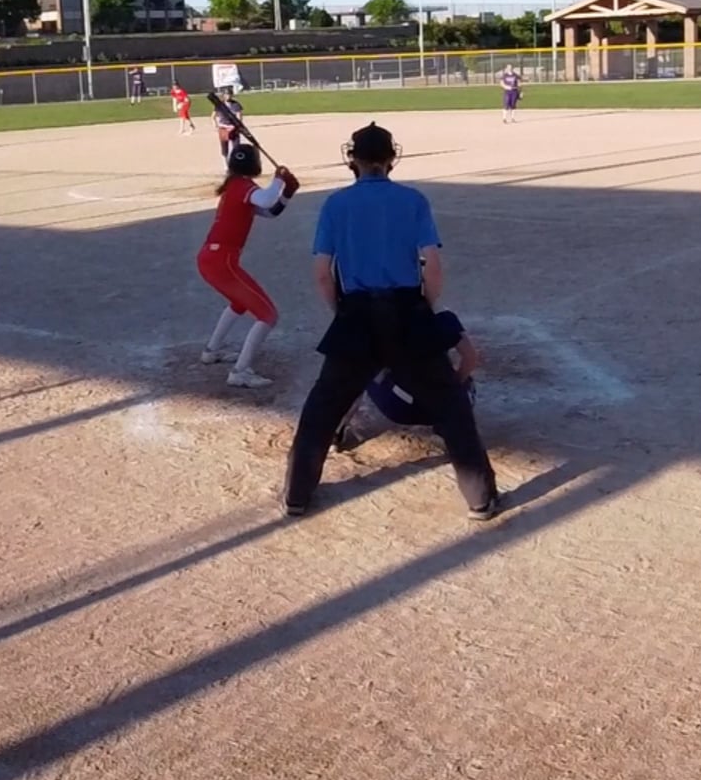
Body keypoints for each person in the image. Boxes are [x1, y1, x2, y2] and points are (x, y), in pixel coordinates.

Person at [282, 122, 500, 520]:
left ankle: (297, 495)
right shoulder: (412, 200)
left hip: (355, 311)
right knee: (450, 406)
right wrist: (424, 308)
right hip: (407, 309)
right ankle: (480, 499)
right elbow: (432, 265)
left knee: (322, 408)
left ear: (353, 159)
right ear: (390, 158)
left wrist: (342, 314)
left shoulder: (335, 204)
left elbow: (322, 273)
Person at [198, 142, 300, 389]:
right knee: (268, 315)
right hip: (222, 261)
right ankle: (240, 372)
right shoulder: (243, 187)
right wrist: (279, 179)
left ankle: (211, 350)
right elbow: (266, 199)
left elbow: (271, 211)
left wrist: (287, 193)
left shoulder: (235, 187)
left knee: (240, 303)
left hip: (212, 259)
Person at [333, 305, 480, 452]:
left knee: (357, 367)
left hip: (397, 406)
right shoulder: (444, 317)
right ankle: (446, 427)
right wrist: (450, 390)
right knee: (464, 380)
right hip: (437, 408)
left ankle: (334, 430)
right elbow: (471, 358)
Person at [210, 86, 242, 160]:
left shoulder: (236, 104)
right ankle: (226, 164)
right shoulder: (220, 105)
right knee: (224, 149)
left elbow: (239, 117)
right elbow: (213, 117)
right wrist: (216, 126)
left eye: (230, 94)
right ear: (223, 95)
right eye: (226, 94)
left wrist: (236, 126)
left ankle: (234, 162)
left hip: (234, 127)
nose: (228, 96)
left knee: (236, 148)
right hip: (223, 127)